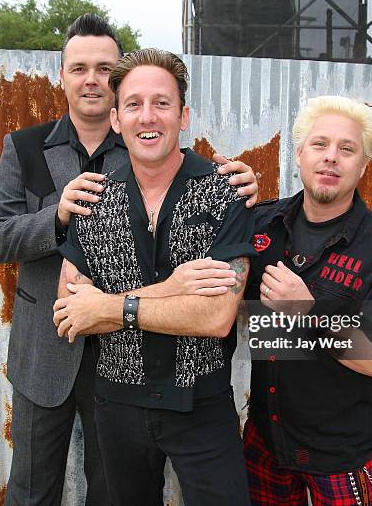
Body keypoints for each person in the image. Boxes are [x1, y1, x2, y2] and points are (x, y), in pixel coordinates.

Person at [0, 15, 258, 506]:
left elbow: (215, 305)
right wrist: (57, 218)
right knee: (31, 489)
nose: (91, 79)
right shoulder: (27, 148)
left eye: (103, 68)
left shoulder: (170, 160)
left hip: (141, 374)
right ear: (62, 76)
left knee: (109, 493)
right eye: (78, 67)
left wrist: (109, 306)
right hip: (51, 355)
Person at [52, 48, 255, 506]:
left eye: (162, 103)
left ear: (183, 116)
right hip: (118, 405)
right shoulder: (93, 199)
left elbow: (216, 317)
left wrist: (105, 306)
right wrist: (172, 290)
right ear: (117, 119)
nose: (149, 116)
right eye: (134, 103)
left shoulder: (227, 192)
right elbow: (69, 315)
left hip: (201, 404)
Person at [243, 95, 372, 505]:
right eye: (320, 144)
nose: (331, 159)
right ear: (300, 153)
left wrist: (306, 311)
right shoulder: (261, 226)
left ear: (362, 165)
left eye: (347, 149)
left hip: (343, 451)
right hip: (267, 440)